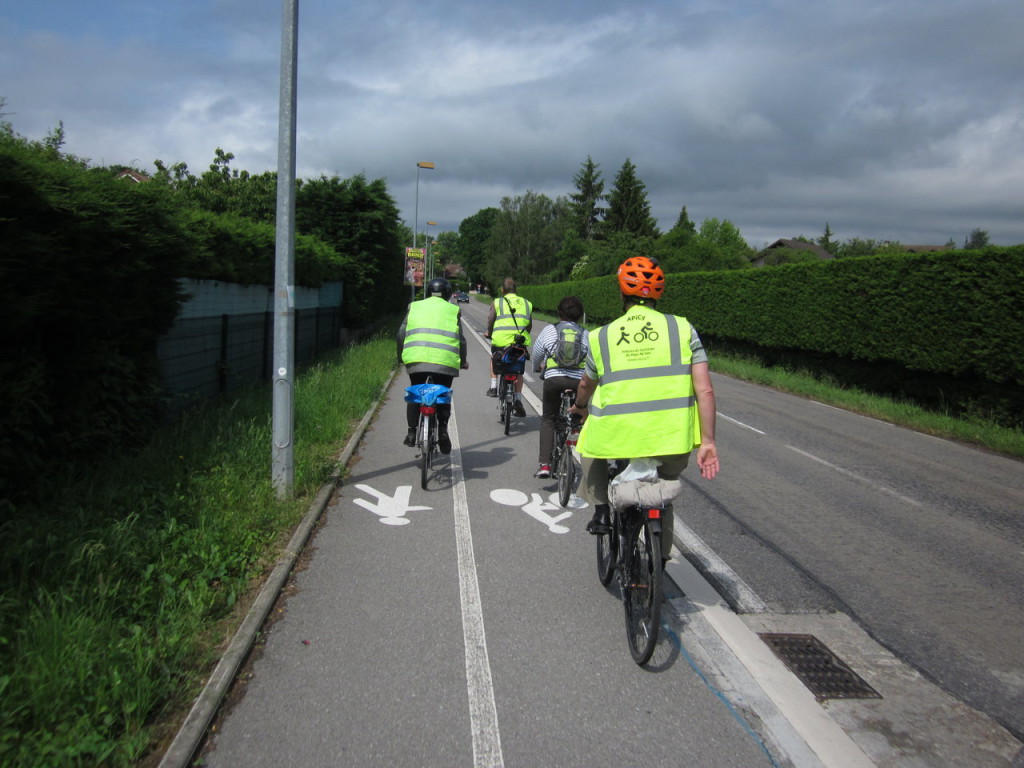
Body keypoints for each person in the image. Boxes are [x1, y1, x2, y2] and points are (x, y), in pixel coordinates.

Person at [570, 256, 719, 561]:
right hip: (671, 439)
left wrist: (580, 407)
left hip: (618, 437)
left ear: (622, 292)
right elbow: (704, 389)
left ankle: (600, 511)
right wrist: (709, 442)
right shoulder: (682, 329)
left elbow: (586, 385)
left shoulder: (602, 336)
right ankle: (659, 562)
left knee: (588, 448)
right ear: (658, 294)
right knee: (661, 495)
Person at [397, 277, 468, 454]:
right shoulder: (453, 310)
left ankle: (412, 432)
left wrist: (401, 356)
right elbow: (461, 340)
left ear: (428, 291)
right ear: (447, 293)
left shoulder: (415, 306)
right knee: (443, 394)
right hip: (445, 362)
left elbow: (401, 333)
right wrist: (463, 360)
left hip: (416, 359)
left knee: (416, 391)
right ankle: (443, 429)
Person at [530, 296, 590, 479]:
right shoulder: (585, 333)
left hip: (554, 380)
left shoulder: (551, 330)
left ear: (559, 313)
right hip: (578, 383)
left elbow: (538, 353)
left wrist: (536, 367)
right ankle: (579, 452)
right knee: (580, 415)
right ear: (579, 316)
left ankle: (545, 465)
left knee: (548, 417)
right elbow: (592, 361)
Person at [485, 277, 533, 417]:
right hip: (519, 342)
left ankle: (494, 387)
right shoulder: (526, 303)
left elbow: (491, 320)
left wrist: (490, 332)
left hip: (501, 341)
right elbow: (529, 325)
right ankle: (518, 399)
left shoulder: (498, 302)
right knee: (518, 370)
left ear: (502, 290)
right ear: (516, 289)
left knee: (494, 358)